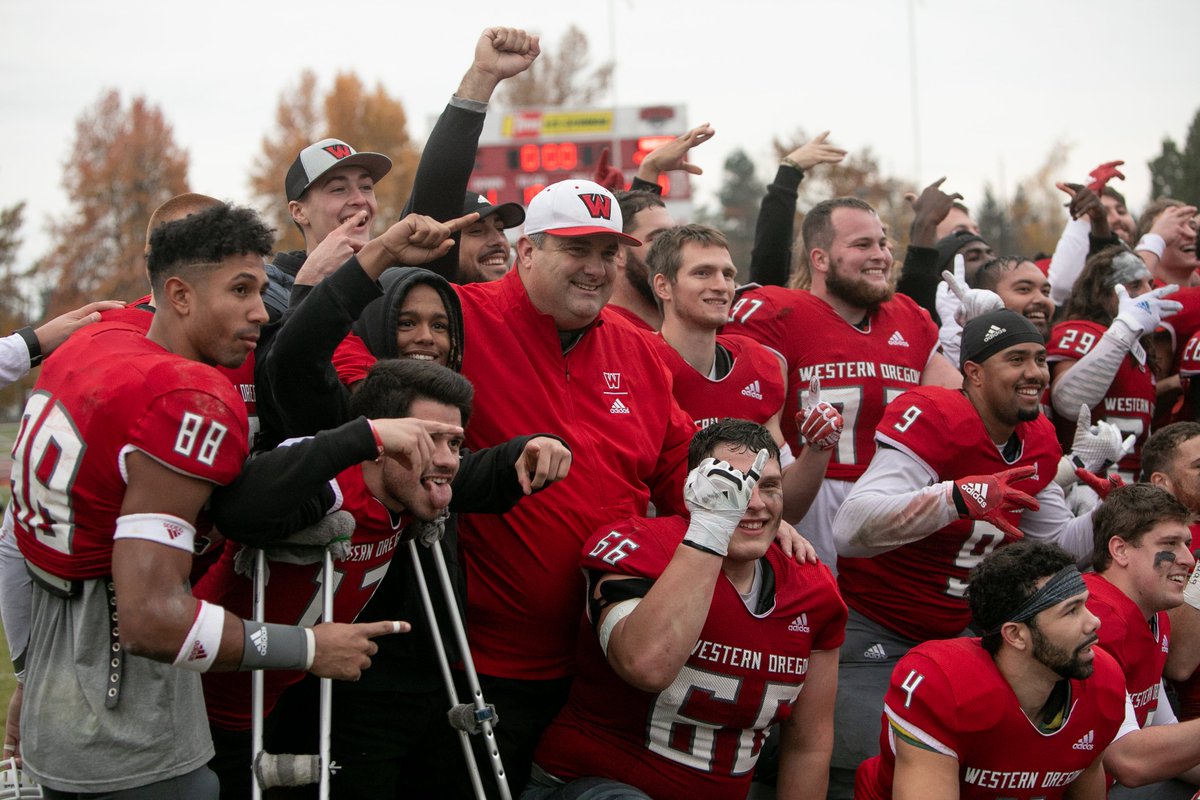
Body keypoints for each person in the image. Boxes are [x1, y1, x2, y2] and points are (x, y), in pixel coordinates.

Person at [10, 204, 397, 797]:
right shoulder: (185, 395)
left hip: (58, 687)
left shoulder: (98, 338)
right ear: (179, 295)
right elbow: (152, 621)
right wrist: (307, 646)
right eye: (240, 289)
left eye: (261, 288)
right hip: (130, 727)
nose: (259, 310)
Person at [451, 178, 711, 795]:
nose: (596, 268)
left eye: (608, 252)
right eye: (577, 250)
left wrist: (754, 507)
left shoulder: (637, 348)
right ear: (528, 252)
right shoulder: (462, 318)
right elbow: (351, 376)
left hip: (610, 663)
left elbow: (678, 466)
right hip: (488, 667)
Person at [829, 309, 1099, 798]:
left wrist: (1113, 520)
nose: (1035, 372)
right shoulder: (936, 415)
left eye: (1040, 358)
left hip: (964, 638)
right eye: (1015, 358)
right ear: (972, 372)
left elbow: (1056, 547)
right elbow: (850, 527)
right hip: (876, 629)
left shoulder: (1035, 436)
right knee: (873, 761)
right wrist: (956, 498)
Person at [197, 359, 479, 796]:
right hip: (191, 696)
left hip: (261, 710)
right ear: (385, 441)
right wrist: (362, 436)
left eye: (455, 443)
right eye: (427, 440)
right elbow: (238, 512)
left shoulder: (407, 495)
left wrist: (539, 447)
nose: (444, 459)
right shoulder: (331, 484)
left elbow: (490, 474)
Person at [526, 419, 846, 800]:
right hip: (593, 785)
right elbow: (646, 665)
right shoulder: (638, 547)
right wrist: (711, 526)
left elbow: (808, 746)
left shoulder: (811, 587)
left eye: (769, 486)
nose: (753, 501)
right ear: (693, 487)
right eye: (731, 484)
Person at [724, 196, 960, 570]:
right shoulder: (778, 312)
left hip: (895, 499)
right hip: (809, 499)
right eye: (862, 244)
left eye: (883, 243)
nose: (880, 254)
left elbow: (961, 405)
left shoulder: (908, 317)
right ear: (819, 259)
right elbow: (754, 420)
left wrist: (979, 343)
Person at [855, 541, 1125, 799]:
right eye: (1071, 611)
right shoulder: (943, 684)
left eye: (1086, 604)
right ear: (1016, 635)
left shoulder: (1102, 680)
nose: (1094, 621)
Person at [645, 222, 841, 520]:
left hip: (747, 549)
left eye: (728, 274)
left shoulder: (755, 363)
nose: (721, 285)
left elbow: (788, 508)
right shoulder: (640, 363)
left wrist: (818, 449)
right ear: (663, 286)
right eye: (702, 273)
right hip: (671, 550)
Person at [1085, 485, 1200, 792]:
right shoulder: (1093, 617)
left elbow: (1166, 734)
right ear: (1120, 550)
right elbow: (1128, 761)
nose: (1189, 559)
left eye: (1187, 544)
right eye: (1170, 544)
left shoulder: (1155, 614)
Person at [1048, 246, 1180, 483]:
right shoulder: (1081, 331)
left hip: (1128, 494)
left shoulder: (1139, 350)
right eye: (1134, 286)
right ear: (1101, 292)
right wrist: (1124, 329)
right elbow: (1069, 403)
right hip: (1080, 490)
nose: (1147, 293)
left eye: (1150, 284)